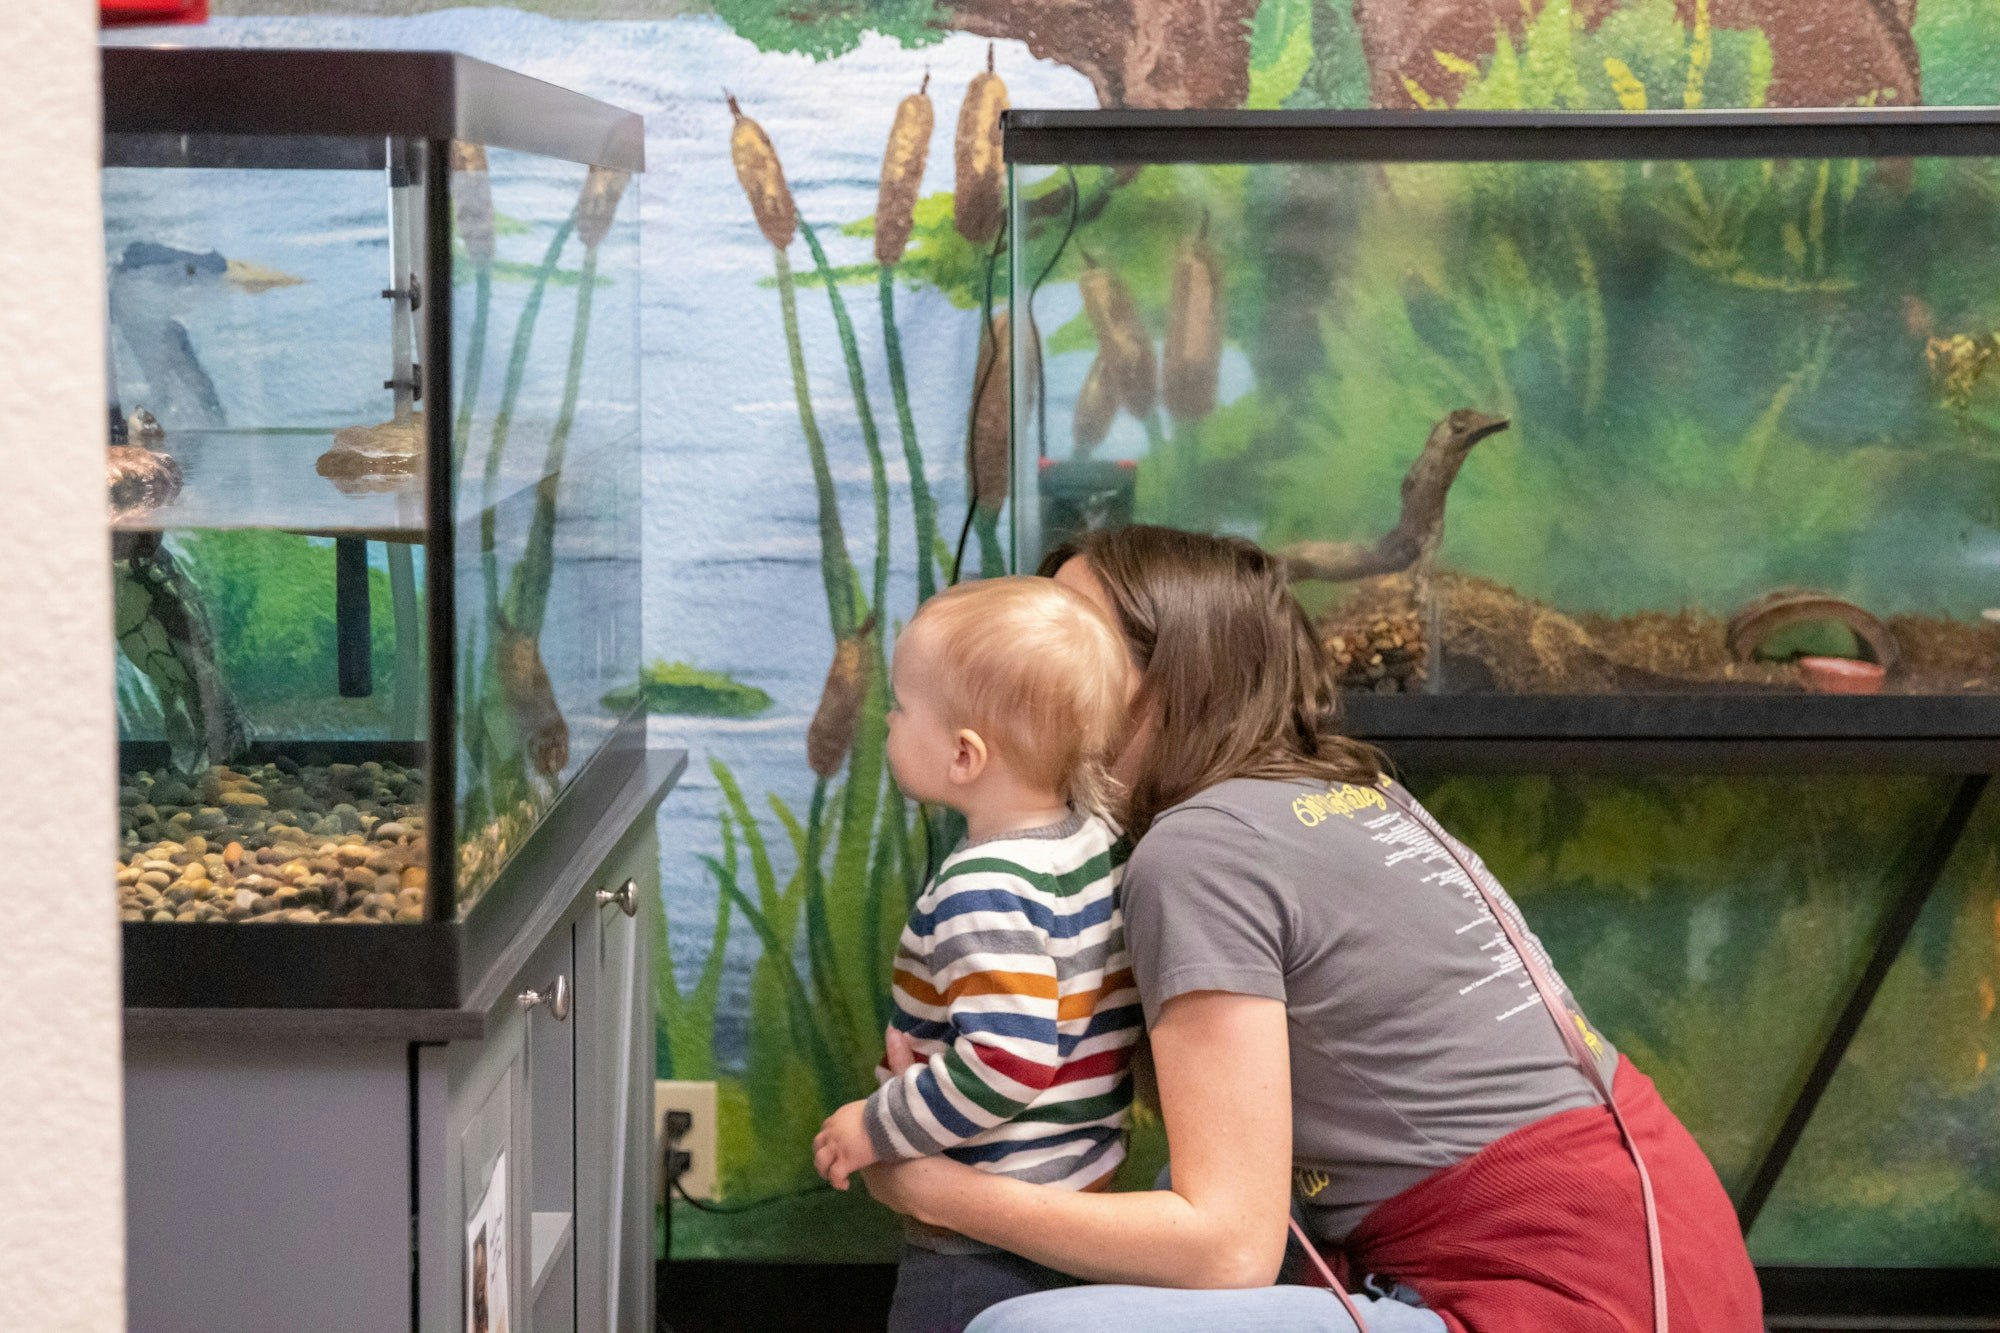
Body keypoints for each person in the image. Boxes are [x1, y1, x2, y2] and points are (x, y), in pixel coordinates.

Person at [857, 526, 1763, 1333]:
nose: (1028, 664)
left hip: (1560, 1297)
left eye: (1068, 640)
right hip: (1671, 1260)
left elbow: (1228, 1248)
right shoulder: (1347, 794)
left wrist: (942, 1188)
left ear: (1171, 679)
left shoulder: (1199, 849)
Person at [810, 576, 1144, 1333]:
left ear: (965, 755)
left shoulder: (983, 889)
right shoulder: (1094, 842)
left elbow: (1008, 1062)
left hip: (980, 1241)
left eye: (898, 709)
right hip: (1078, 1191)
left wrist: (875, 1121)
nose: (887, 723)